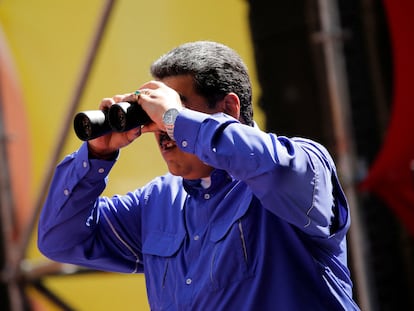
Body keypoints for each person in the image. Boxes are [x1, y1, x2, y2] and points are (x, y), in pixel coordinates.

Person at [38, 41, 360, 310]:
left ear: (230, 109)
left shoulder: (303, 163)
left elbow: (275, 172)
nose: (163, 130)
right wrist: (97, 154)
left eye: (177, 107)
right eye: (156, 115)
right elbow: (59, 239)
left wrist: (175, 118)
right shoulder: (159, 202)